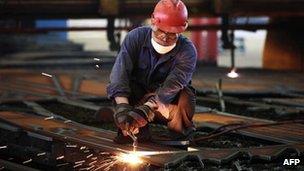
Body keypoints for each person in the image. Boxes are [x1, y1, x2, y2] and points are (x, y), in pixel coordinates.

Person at [107, 0, 197, 143]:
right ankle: (133, 132)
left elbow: (173, 85)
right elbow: (120, 74)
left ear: (182, 28)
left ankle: (179, 135)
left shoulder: (187, 50)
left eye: (172, 34)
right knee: (127, 88)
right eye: (161, 31)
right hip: (137, 99)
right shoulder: (135, 37)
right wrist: (123, 107)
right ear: (153, 22)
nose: (165, 38)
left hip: (165, 105)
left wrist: (148, 108)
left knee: (185, 95)